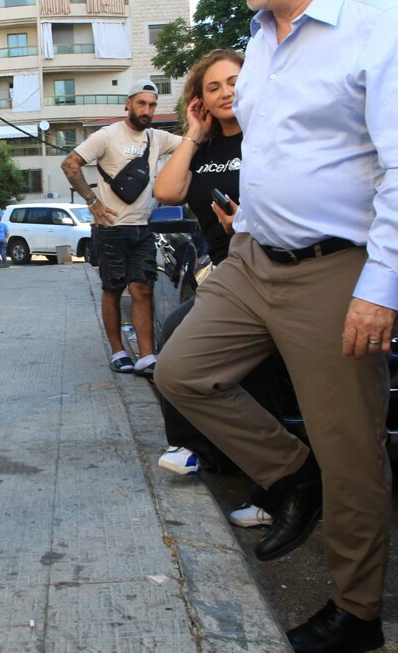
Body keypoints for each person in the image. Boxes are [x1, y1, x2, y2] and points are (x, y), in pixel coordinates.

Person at [154, 0, 398, 653]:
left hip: (334, 270)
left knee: (350, 450)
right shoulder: (259, 38)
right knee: (180, 371)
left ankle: (357, 614)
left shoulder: (376, 23)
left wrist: (381, 285)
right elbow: (273, 151)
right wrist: (248, 221)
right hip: (253, 260)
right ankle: (291, 476)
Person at [150, 49, 288, 528]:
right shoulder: (204, 149)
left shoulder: (270, 135)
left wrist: (247, 224)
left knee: (263, 379)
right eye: (213, 87)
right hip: (230, 274)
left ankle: (275, 494)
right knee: (174, 338)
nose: (227, 92)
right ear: (200, 100)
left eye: (234, 81)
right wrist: (192, 133)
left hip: (274, 268)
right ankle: (196, 446)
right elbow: (166, 192)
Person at [62, 78, 183, 377]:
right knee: (113, 289)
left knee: (142, 288)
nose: (147, 110)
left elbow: (192, 145)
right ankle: (118, 352)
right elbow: (70, 164)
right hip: (111, 228)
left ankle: (146, 356)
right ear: (128, 104)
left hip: (144, 228)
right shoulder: (107, 135)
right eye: (141, 103)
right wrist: (93, 202)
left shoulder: (158, 138)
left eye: (152, 105)